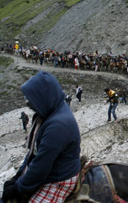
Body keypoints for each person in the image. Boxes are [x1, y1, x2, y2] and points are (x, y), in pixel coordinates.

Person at [1, 71, 81, 202]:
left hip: (59, 177)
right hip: (51, 170)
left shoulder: (57, 126)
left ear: (44, 96)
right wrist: (17, 177)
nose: (28, 102)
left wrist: (18, 188)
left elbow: (41, 167)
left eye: (31, 99)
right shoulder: (47, 114)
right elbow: (33, 153)